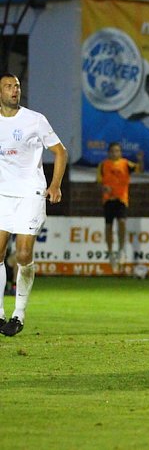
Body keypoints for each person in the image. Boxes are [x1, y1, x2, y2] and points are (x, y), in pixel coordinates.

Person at [0, 73, 68, 336]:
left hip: (30, 193)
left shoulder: (34, 120)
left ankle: (18, 314)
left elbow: (60, 151)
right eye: (8, 86)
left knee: (24, 254)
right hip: (3, 195)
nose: (14, 90)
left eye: (16, 86)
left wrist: (55, 184)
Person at [97, 142, 143, 272]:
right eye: (112, 151)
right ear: (108, 152)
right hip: (108, 200)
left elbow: (140, 169)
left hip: (121, 199)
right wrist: (103, 188)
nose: (114, 153)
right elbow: (98, 183)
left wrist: (140, 159)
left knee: (122, 222)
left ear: (120, 152)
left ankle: (121, 249)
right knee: (108, 226)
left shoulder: (126, 164)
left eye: (117, 151)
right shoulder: (103, 165)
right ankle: (111, 253)